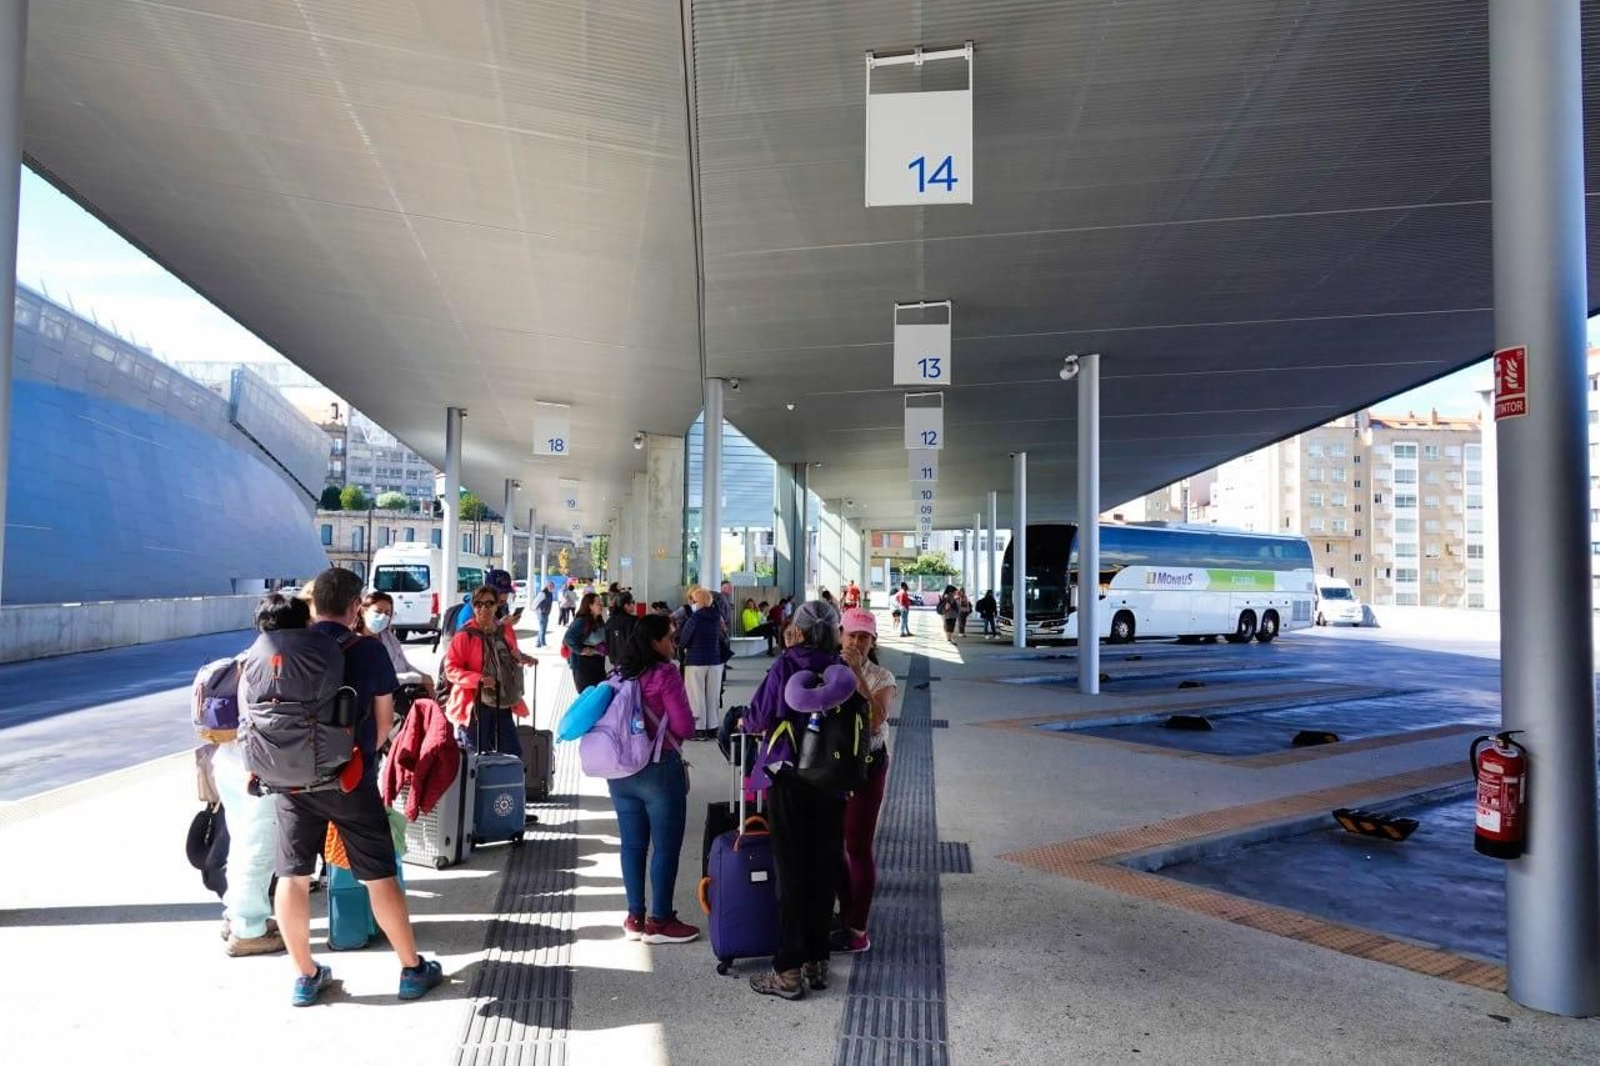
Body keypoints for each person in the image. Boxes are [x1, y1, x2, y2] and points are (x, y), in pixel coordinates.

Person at [269, 568, 443, 1006]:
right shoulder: (366, 650)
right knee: (379, 876)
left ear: (313, 604)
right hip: (349, 780)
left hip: (290, 780)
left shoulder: (283, 646)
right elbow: (384, 725)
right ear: (355, 607)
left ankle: (306, 976)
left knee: (293, 876)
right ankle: (410, 969)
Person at [742, 600, 848, 1000]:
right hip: (833, 782)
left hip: (789, 779)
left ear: (799, 629)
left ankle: (787, 970)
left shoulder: (787, 665)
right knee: (824, 869)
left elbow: (757, 716)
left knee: (791, 871)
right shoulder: (843, 670)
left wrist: (744, 722)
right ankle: (818, 960)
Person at [211, 593, 306, 958]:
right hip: (255, 767)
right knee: (259, 849)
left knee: (240, 842)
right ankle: (249, 930)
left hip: (228, 762)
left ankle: (235, 914)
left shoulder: (244, 656)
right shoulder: (271, 662)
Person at [606, 614, 701, 945]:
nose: (673, 643)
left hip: (619, 772)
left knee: (632, 844)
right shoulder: (665, 674)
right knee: (666, 846)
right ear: (654, 642)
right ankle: (660, 921)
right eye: (670, 638)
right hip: (658, 770)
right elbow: (685, 726)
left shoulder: (619, 673)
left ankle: (635, 917)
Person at [834, 608, 897, 955]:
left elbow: (874, 720)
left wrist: (857, 671)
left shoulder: (881, 676)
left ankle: (858, 930)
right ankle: (846, 912)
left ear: (873, 641)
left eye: (864, 636)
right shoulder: (826, 670)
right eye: (852, 634)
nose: (857, 642)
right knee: (832, 844)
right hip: (831, 769)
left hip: (867, 767)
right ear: (840, 635)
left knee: (857, 846)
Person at [443, 585, 535, 757]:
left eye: (489, 603)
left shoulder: (504, 630)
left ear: (496, 606)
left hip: (502, 701)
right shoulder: (465, 635)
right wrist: (478, 679)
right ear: (473, 606)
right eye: (478, 604)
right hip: (474, 706)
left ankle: (509, 784)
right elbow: (451, 669)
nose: (483, 608)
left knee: (513, 756)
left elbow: (511, 654)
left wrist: (522, 658)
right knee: (476, 759)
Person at [358, 591, 434, 698]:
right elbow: (378, 681)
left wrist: (424, 677)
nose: (382, 617)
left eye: (387, 613)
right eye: (378, 611)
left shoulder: (388, 637)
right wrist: (414, 678)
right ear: (363, 611)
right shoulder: (357, 642)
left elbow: (405, 665)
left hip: (400, 693)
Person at [677, 586, 726, 736]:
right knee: (713, 694)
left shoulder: (695, 618)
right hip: (715, 660)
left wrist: (681, 645)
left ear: (699, 601)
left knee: (695, 695)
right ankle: (712, 727)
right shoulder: (717, 616)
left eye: (693, 600)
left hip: (696, 661)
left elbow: (684, 639)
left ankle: (699, 729)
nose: (692, 603)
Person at [563, 592, 608, 692]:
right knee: (588, 697)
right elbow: (568, 638)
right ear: (590, 606)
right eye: (598, 603)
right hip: (583, 667)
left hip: (598, 665)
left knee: (599, 695)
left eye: (601, 603)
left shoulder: (599, 621)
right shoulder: (581, 622)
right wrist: (581, 650)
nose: (601, 605)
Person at [605, 590, 639, 669]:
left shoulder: (609, 621)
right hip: (632, 663)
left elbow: (607, 642)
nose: (634, 605)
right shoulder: (634, 621)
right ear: (626, 605)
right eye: (632, 602)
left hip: (616, 663)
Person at [534, 582, 555, 648]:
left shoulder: (550, 593)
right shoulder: (543, 593)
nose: (552, 587)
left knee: (542, 628)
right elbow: (535, 603)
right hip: (541, 613)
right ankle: (543, 643)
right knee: (543, 628)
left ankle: (538, 643)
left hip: (546, 613)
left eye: (552, 586)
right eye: (550, 586)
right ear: (547, 586)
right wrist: (538, 612)